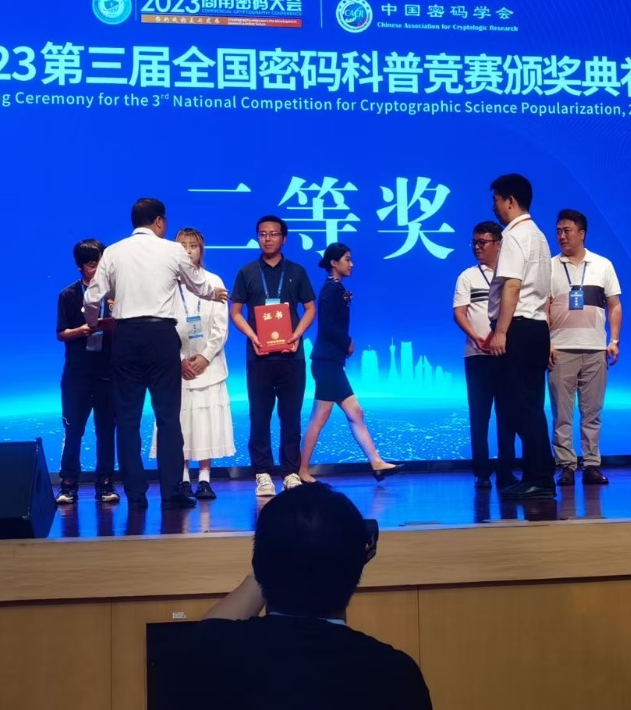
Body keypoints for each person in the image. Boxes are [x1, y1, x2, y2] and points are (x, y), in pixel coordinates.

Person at [146, 483, 432, 709]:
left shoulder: (204, 658)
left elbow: (210, 633)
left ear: (259, 563)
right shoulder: (394, 676)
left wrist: (269, 563)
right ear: (359, 563)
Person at [84, 198, 229, 509]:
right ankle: (172, 491)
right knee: (167, 416)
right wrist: (213, 292)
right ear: (159, 221)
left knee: (127, 418)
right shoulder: (172, 250)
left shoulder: (113, 252)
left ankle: (135, 494)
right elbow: (198, 283)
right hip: (161, 337)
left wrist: (94, 323)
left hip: (125, 337)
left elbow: (92, 298)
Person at [298, 243, 402, 484]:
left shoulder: (336, 288)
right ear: (334, 263)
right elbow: (328, 326)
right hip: (326, 363)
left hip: (331, 363)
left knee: (355, 412)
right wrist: (347, 342)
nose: (351, 264)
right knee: (320, 417)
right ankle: (302, 470)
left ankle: (376, 463)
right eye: (347, 259)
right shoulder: (329, 290)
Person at [230, 216, 316, 497]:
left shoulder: (297, 271)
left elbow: (310, 309)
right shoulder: (247, 272)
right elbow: (235, 312)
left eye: (273, 234)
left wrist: (297, 335)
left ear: (284, 238)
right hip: (259, 357)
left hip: (292, 356)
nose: (267, 239)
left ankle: (290, 472)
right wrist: (252, 336)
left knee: (291, 416)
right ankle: (263, 474)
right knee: (259, 416)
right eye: (262, 234)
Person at [148, 228, 235, 501]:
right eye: (182, 246)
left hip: (210, 365)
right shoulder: (166, 284)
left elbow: (221, 326)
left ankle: (205, 479)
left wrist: (205, 356)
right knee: (180, 423)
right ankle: (183, 478)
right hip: (176, 367)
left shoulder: (213, 281)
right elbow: (160, 326)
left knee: (207, 423)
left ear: (201, 250)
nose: (188, 251)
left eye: (193, 246)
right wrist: (179, 360)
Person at [486, 174, 555, 500]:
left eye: (497, 200)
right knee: (531, 404)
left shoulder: (514, 236)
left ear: (510, 200)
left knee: (522, 405)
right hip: (538, 327)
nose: (494, 207)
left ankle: (539, 478)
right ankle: (535, 475)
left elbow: (512, 286)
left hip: (520, 327)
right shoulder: (539, 235)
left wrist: (501, 331)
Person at [546, 209, 622, 486]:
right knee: (562, 414)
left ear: (582, 233)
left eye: (567, 230)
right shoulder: (549, 267)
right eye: (558, 231)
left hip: (595, 350)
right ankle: (565, 466)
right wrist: (547, 343)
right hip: (560, 350)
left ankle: (591, 464)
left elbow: (614, 305)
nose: (561, 236)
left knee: (592, 413)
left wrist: (614, 340)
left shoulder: (602, 265)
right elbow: (543, 308)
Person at [452, 220, 517, 490]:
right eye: (474, 243)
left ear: (498, 244)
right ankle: (481, 471)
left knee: (507, 415)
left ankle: (506, 470)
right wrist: (476, 337)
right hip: (476, 356)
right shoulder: (467, 276)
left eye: (483, 242)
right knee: (479, 415)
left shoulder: (511, 276)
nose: (477, 247)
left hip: (505, 354)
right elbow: (459, 312)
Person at [54, 239, 118, 504]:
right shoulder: (68, 295)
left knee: (106, 431)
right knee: (74, 430)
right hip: (77, 374)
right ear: (80, 266)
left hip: (108, 373)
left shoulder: (115, 294)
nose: (97, 270)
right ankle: (68, 484)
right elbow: (61, 333)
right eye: (92, 265)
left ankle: (105, 483)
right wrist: (82, 331)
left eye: (101, 264)